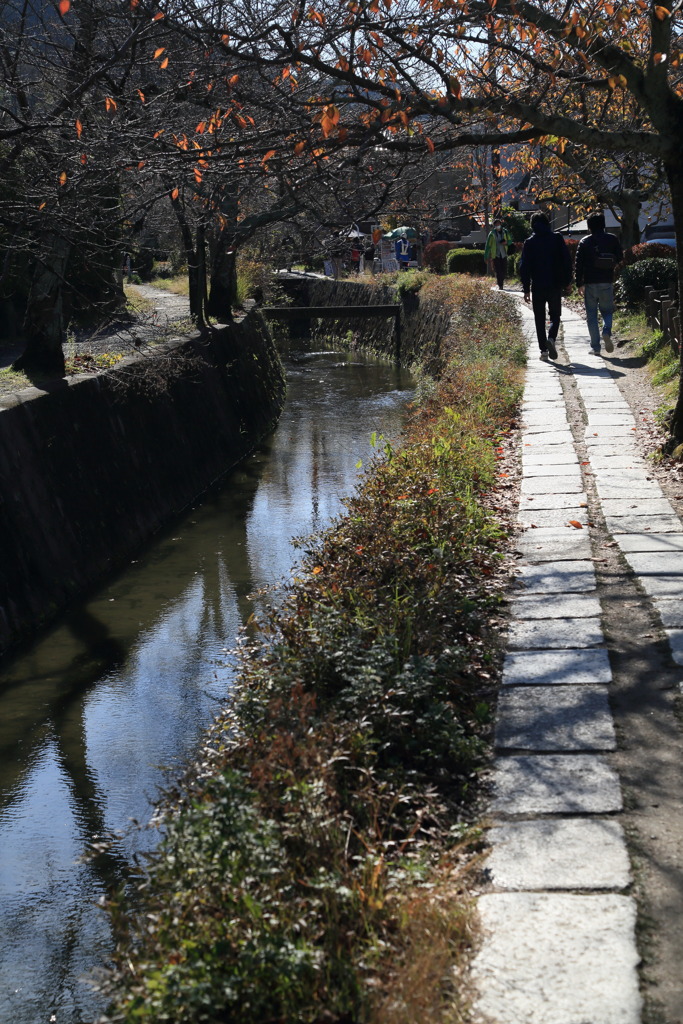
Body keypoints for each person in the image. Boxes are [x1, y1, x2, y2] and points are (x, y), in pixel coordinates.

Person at [519, 211, 573, 361]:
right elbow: (566, 261)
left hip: (538, 285)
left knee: (539, 318)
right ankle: (552, 338)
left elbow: (524, 267)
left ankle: (543, 351)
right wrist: (568, 281)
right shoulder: (556, 238)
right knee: (555, 315)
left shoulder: (529, 242)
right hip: (555, 284)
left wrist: (526, 288)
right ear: (547, 223)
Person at [575, 212, 623, 355]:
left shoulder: (584, 242)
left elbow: (578, 265)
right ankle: (606, 331)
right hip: (606, 281)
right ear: (603, 224)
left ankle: (596, 348)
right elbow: (620, 257)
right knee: (607, 311)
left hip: (590, 283)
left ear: (589, 226)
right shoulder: (612, 239)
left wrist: (579, 283)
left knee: (591, 315)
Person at [484, 217, 513, 289]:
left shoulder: (505, 232)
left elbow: (510, 241)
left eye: (498, 224)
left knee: (504, 269)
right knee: (498, 270)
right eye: (496, 224)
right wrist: (486, 256)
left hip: (504, 253)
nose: (497, 225)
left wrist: (506, 242)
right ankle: (500, 284)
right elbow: (488, 246)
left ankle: (501, 281)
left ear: (500, 224)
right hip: (495, 254)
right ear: (494, 225)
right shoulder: (491, 234)